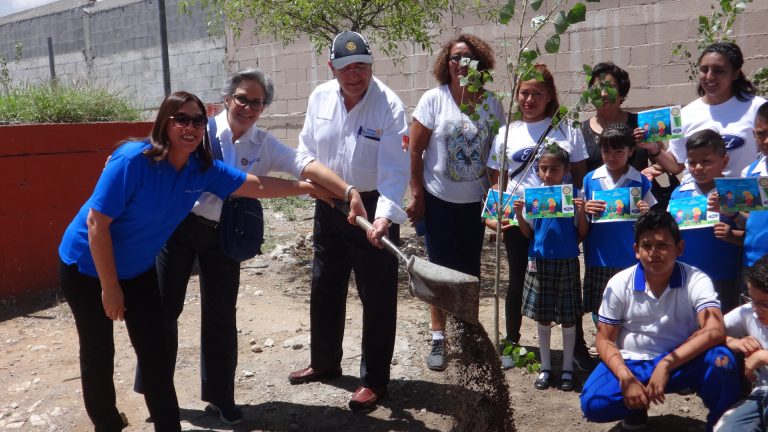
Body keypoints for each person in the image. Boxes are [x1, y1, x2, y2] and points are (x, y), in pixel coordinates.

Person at [58, 91, 344, 431]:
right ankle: (107, 424)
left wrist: (308, 189)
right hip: (87, 267)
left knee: (156, 354)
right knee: (98, 352)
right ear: (165, 123)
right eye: (182, 119)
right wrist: (109, 287)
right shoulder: (133, 160)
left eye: (197, 120)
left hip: (137, 270)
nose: (191, 127)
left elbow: (255, 185)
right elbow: (96, 224)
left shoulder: (201, 169)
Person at [132, 70, 365, 425]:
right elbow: (156, 151)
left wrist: (347, 191)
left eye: (257, 102)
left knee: (221, 317)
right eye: (242, 98)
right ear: (227, 98)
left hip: (224, 235)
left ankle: (220, 398)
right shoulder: (200, 129)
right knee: (163, 312)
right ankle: (156, 393)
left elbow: (303, 164)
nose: (248, 107)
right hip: (177, 229)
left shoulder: (262, 143)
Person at [287, 31, 410, 411]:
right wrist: (322, 187)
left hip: (372, 208)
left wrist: (384, 217)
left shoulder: (389, 105)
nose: (353, 74)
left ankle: (374, 380)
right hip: (329, 201)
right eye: (345, 67)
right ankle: (324, 362)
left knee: (377, 296)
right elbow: (305, 148)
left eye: (361, 66)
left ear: (372, 65)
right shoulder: (319, 97)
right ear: (331, 68)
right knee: (324, 284)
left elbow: (394, 171)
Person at [580, 210, 741, 431]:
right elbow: (604, 340)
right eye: (647, 246)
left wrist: (666, 364)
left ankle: (720, 424)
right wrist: (626, 378)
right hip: (633, 362)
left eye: (663, 245)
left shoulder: (696, 279)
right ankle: (636, 409)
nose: (654, 253)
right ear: (637, 251)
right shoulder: (619, 283)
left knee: (722, 362)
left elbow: (714, 329)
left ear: (680, 248)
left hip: (682, 361)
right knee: (593, 402)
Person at [406, 33, 504, 372]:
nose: (462, 64)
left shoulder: (492, 105)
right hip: (439, 201)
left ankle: (468, 333)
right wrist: (417, 193)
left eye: (468, 58)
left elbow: (496, 157)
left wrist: (496, 203)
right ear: (445, 64)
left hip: (475, 205)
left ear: (480, 64)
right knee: (439, 272)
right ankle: (438, 338)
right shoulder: (434, 100)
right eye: (455, 58)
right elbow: (415, 151)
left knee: (470, 271)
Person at [486, 63, 588, 359]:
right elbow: (497, 179)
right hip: (519, 219)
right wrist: (497, 216)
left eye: (537, 94)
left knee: (568, 282)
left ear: (549, 96)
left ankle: (577, 347)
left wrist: (578, 215)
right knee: (517, 278)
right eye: (524, 93)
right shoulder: (506, 132)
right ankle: (511, 342)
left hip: (559, 222)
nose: (529, 100)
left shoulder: (567, 128)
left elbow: (579, 175)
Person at [512, 146, 589, 391]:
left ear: (566, 170)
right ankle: (546, 368)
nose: (547, 174)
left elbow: (581, 233)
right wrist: (519, 215)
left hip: (566, 261)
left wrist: (582, 212)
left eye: (554, 169)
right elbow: (528, 233)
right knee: (543, 315)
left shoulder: (575, 195)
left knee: (568, 317)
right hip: (539, 262)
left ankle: (567, 369)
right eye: (543, 168)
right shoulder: (534, 197)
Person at [581, 124, 655, 362]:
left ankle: (625, 350)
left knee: (631, 302)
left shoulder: (640, 181)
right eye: (606, 152)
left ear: (631, 151)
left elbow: (652, 214)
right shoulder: (591, 179)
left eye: (618, 152)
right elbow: (581, 216)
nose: (611, 157)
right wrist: (584, 209)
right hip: (599, 255)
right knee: (599, 304)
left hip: (628, 256)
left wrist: (646, 211)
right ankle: (606, 348)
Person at [641, 42, 766, 183]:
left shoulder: (757, 108)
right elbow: (676, 165)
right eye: (704, 69)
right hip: (695, 202)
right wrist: (653, 149)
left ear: (735, 74)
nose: (709, 76)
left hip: (739, 200)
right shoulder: (685, 114)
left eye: (718, 70)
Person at [669, 129, 742, 313]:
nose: (698, 168)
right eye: (692, 162)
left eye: (706, 161)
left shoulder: (736, 192)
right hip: (687, 276)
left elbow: (754, 231)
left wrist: (732, 234)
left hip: (725, 276)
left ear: (724, 161)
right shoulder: (679, 194)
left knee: (724, 326)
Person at [715, 254, 768, 432]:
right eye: (752, 299)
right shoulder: (749, 313)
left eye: (764, 304)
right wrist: (731, 341)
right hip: (763, 393)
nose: (755, 309)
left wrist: (763, 356)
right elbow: (707, 331)